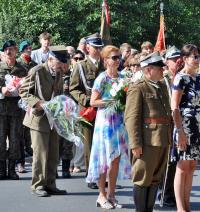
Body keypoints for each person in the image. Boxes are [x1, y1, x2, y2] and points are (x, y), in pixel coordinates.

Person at [125, 51, 172, 212]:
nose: (162, 70)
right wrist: (135, 144)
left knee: (155, 179)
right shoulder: (138, 88)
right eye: (158, 68)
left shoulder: (161, 87)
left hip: (162, 140)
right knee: (142, 179)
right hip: (146, 142)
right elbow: (131, 118)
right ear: (148, 70)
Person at [19, 45, 69, 197]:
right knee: (41, 154)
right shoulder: (37, 71)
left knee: (54, 153)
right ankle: (38, 185)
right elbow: (23, 92)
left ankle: (50, 183)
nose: (61, 66)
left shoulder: (58, 73)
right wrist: (38, 103)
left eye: (62, 63)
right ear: (50, 59)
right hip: (39, 118)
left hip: (53, 118)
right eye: (59, 62)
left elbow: (59, 92)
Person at [86, 45, 130, 209]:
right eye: (114, 58)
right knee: (104, 160)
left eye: (119, 57)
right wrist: (111, 101)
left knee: (115, 160)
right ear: (106, 60)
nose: (118, 60)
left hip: (119, 122)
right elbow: (93, 101)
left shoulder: (123, 78)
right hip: (105, 123)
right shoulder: (102, 78)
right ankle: (101, 195)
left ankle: (112, 195)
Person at [171, 44, 200, 212]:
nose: (197, 59)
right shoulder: (180, 78)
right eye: (194, 56)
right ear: (185, 59)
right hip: (185, 127)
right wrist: (180, 132)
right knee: (182, 166)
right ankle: (180, 207)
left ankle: (187, 205)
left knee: (192, 166)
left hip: (199, 127)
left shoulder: (199, 78)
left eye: (198, 55)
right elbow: (175, 107)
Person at [0, 40, 28, 180]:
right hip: (0, 110)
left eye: (12, 49)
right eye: (6, 50)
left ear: (16, 51)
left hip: (16, 111)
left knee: (15, 140)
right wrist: (1, 89)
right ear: (3, 52)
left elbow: (29, 87)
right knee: (1, 141)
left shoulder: (22, 69)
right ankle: (2, 169)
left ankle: (12, 169)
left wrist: (20, 89)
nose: (9, 52)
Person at [69, 32, 104, 189]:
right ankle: (91, 176)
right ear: (88, 48)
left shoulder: (105, 65)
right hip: (88, 110)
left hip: (105, 109)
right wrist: (86, 101)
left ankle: (103, 176)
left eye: (100, 47)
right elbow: (73, 88)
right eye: (95, 47)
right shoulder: (81, 66)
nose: (98, 50)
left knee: (103, 143)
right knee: (89, 144)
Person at [158, 46, 183, 208]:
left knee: (177, 161)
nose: (178, 61)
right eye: (174, 59)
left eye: (179, 59)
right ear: (166, 62)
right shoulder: (163, 79)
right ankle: (164, 195)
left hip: (179, 124)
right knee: (167, 162)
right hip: (166, 125)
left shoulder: (182, 77)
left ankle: (173, 193)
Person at [16, 40, 37, 173]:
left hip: (31, 102)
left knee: (30, 133)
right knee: (19, 134)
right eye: (26, 48)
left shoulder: (34, 64)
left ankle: (34, 160)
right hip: (19, 102)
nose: (29, 50)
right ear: (22, 50)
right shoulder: (18, 64)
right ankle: (20, 162)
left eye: (30, 47)